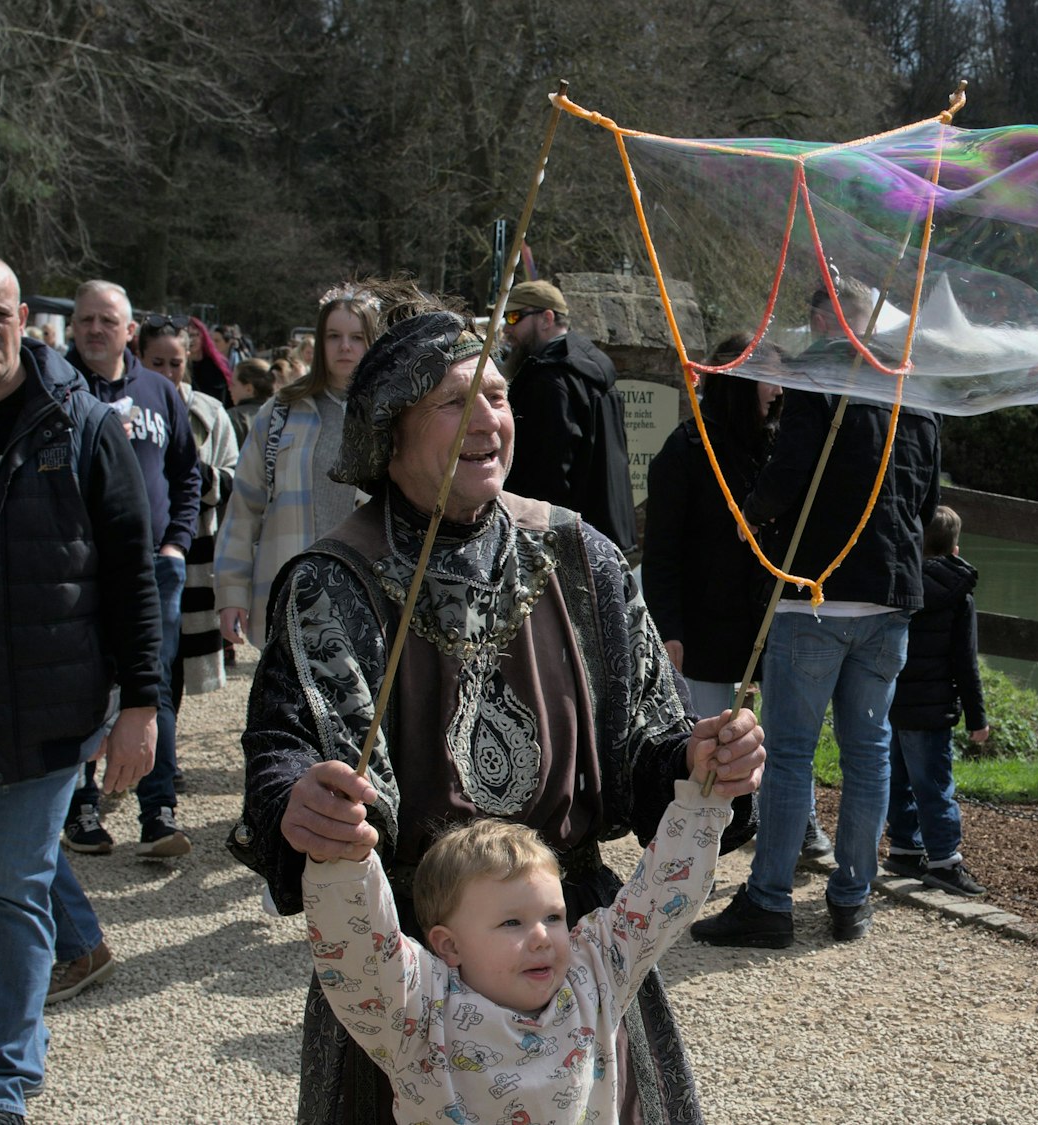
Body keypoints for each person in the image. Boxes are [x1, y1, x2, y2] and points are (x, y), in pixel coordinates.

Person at [230, 305, 764, 1125]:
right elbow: (284, 748)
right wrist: (296, 797)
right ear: (391, 428)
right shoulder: (333, 579)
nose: (489, 422)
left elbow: (650, 752)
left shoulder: (585, 558)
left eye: (499, 396)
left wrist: (702, 766)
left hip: (569, 947)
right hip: (409, 963)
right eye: (454, 401)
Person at [0, 249, 161, 1125]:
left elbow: (132, 574)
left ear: (27, 318)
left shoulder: (82, 426)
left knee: (13, 884)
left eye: (4, 311)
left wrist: (140, 704)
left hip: (46, 705)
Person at [692, 277, 940, 949]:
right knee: (869, 751)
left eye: (811, 314)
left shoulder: (820, 380)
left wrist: (753, 513)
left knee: (793, 751)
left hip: (818, 592)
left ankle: (770, 899)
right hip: (891, 592)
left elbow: (791, 471)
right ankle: (851, 896)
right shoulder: (908, 393)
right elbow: (925, 497)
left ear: (830, 316)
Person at [304, 789, 733, 1125]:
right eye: (512, 923)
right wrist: (342, 862)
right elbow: (358, 954)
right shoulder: (417, 1011)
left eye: (553, 915)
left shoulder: (593, 978)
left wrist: (702, 801)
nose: (543, 937)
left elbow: (659, 900)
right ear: (448, 945)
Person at [64, 281, 201, 859]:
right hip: (77, 566)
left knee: (154, 685)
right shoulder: (58, 389)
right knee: (77, 686)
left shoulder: (160, 393)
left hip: (151, 567)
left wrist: (176, 544)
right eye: (86, 319)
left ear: (129, 331)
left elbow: (187, 475)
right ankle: (81, 808)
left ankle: (158, 811)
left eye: (108, 321)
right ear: (73, 326)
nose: (96, 329)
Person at [215, 285, 377, 649]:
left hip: (368, 594)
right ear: (319, 342)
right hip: (290, 591)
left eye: (357, 337)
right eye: (334, 336)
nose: (345, 347)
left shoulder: (393, 414)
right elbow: (243, 508)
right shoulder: (280, 412)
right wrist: (231, 592)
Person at [642, 335, 782, 717]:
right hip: (703, 629)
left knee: (770, 750)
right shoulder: (684, 450)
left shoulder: (774, 448)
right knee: (704, 741)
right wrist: (668, 629)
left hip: (766, 626)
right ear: (740, 380)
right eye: (769, 377)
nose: (779, 390)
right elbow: (661, 552)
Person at [880, 505, 990, 897]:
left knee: (898, 780)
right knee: (935, 786)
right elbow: (965, 662)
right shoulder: (958, 597)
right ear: (955, 548)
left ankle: (905, 848)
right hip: (932, 708)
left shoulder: (895, 582)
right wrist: (978, 717)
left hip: (893, 702)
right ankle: (944, 860)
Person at [500, 279, 640, 555]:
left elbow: (546, 473)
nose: (507, 329)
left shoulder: (551, 379)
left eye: (514, 317)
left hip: (567, 543)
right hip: (603, 533)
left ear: (546, 318)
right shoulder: (591, 367)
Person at [138, 321, 240, 699]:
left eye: (175, 364)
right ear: (139, 358)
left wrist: (195, 473)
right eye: (157, 362)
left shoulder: (210, 412)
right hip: (138, 546)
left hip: (195, 554)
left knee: (177, 659)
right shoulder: (123, 407)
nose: (166, 374)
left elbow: (234, 478)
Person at [186, 316, 234, 405]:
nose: (190, 340)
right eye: (186, 336)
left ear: (203, 336)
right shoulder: (179, 366)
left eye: (194, 335)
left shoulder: (218, 364)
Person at [227, 357, 276, 444]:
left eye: (233, 384)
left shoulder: (233, 418)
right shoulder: (283, 415)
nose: (229, 388)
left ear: (249, 389)